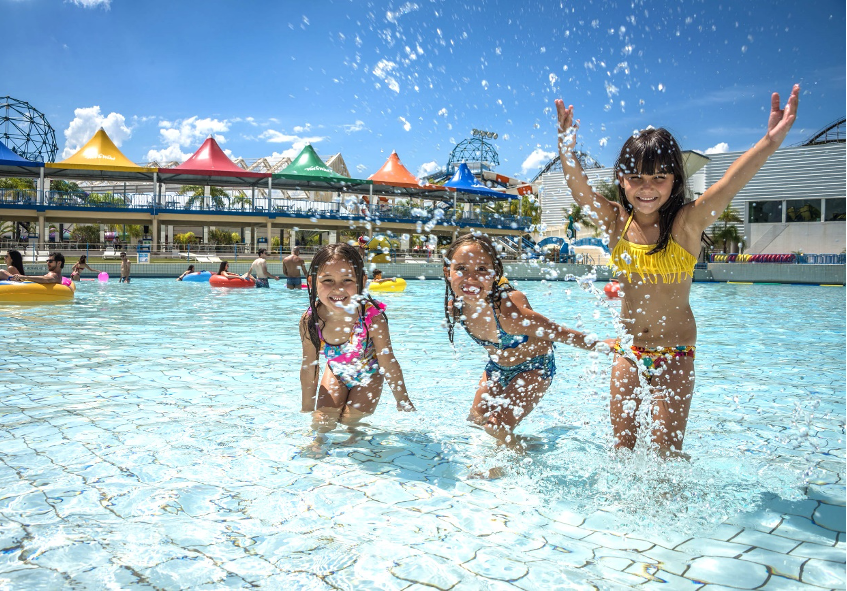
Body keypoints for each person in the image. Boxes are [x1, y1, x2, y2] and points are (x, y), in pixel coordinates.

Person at [555, 84, 800, 455]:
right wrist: (566, 149)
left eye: (658, 178)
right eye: (636, 177)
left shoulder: (686, 224)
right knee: (622, 449)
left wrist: (768, 142)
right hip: (628, 351)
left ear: (674, 180)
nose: (646, 188)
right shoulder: (614, 221)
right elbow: (579, 190)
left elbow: (729, 185)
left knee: (666, 453)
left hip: (676, 354)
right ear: (621, 180)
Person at [444, 233, 613, 446]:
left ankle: (511, 469)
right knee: (476, 422)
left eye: (481, 269)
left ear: (495, 273)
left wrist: (602, 345)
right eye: (461, 269)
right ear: (447, 272)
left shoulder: (509, 313)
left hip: (534, 368)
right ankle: (525, 446)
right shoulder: (456, 310)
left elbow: (558, 332)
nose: (471, 278)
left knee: (497, 427)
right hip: (496, 369)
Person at [300, 243, 415, 434]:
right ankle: (318, 447)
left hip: (369, 375)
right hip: (337, 371)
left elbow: (387, 361)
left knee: (349, 422)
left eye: (347, 280)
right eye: (328, 280)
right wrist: (306, 408)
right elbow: (309, 366)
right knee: (321, 422)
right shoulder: (311, 321)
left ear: (361, 281)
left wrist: (402, 400)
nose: (338, 289)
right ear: (312, 283)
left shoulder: (371, 317)